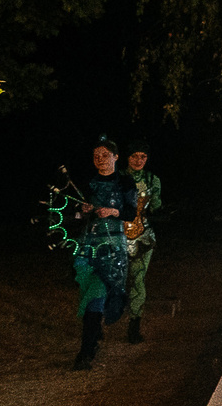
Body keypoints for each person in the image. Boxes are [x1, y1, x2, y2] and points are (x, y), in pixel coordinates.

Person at [69, 135, 134, 370]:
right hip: (88, 244)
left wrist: (114, 211)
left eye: (105, 155)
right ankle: (92, 341)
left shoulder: (125, 183)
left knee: (98, 292)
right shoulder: (89, 183)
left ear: (116, 157)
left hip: (113, 247)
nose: (100, 160)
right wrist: (84, 209)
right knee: (90, 294)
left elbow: (131, 212)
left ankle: (86, 351)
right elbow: (80, 210)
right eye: (96, 156)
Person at [123, 141, 162, 343]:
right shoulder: (118, 177)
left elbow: (156, 205)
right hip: (116, 235)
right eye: (134, 156)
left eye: (143, 157)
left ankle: (134, 325)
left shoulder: (152, 179)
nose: (138, 160)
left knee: (138, 280)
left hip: (143, 235)